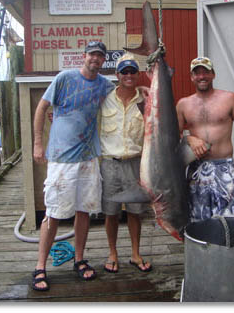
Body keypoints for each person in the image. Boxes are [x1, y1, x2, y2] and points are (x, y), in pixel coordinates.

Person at [31, 41, 115, 291]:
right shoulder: (64, 78)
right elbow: (42, 108)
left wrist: (143, 88)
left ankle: (79, 259)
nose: (95, 59)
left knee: (84, 211)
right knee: (53, 213)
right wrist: (38, 143)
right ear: (84, 56)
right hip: (61, 159)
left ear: (103, 61)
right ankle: (40, 266)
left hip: (89, 158)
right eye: (92, 55)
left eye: (100, 56)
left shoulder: (105, 85)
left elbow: (125, 96)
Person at [176, 57, 234, 222]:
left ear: (213, 74)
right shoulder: (183, 105)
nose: (201, 76)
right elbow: (174, 140)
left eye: (206, 72)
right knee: (198, 220)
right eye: (197, 73)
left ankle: (228, 248)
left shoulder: (229, 99)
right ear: (192, 77)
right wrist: (189, 139)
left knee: (230, 219)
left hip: (224, 167)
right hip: (196, 169)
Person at [99, 53, 152, 273]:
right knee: (110, 212)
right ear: (117, 75)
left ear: (138, 75)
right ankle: (112, 252)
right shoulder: (104, 98)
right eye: (124, 72)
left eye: (132, 71)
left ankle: (135, 253)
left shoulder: (147, 99)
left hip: (136, 162)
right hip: (109, 163)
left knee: (134, 211)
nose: (128, 75)